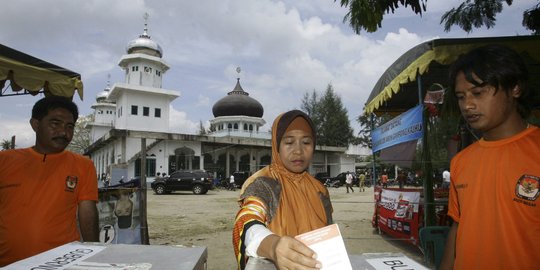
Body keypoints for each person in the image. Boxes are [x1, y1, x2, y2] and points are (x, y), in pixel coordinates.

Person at [440, 45, 540, 269]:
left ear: (515, 88)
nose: (468, 105)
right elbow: (457, 228)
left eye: (478, 93)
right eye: (460, 96)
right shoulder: (461, 162)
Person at [0, 96, 99, 266]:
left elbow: (87, 212)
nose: (64, 132)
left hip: (61, 262)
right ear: (35, 124)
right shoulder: (5, 161)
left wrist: (94, 255)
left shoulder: (83, 165)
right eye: (55, 123)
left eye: (70, 126)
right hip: (7, 262)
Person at [232, 110, 333, 270]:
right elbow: (247, 219)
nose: (298, 150)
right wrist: (273, 246)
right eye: (289, 142)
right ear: (276, 145)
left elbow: (328, 236)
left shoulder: (319, 189)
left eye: (306, 142)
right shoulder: (264, 183)